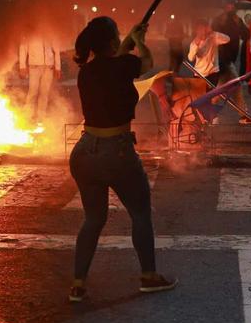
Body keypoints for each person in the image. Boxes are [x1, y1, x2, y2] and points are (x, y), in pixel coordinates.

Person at [68, 17, 175, 302]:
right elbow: (146, 61)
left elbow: (114, 59)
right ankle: (148, 276)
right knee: (140, 213)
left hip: (85, 151)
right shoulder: (124, 66)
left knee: (93, 219)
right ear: (113, 42)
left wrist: (126, 38)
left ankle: (78, 284)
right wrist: (139, 40)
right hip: (117, 151)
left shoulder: (86, 72)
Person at [18, 33, 62, 122]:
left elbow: (56, 50)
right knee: (33, 91)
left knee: (44, 93)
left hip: (48, 67)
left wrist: (58, 67)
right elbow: (23, 49)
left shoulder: (49, 31)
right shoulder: (29, 32)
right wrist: (22, 66)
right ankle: (27, 117)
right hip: (34, 67)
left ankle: (40, 118)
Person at [212, 2, 248, 105]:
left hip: (231, 58)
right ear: (224, 7)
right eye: (228, 5)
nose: (230, 8)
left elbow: (246, 35)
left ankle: (208, 109)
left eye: (232, 6)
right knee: (235, 85)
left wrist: (240, 24)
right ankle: (243, 114)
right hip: (221, 59)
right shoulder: (218, 20)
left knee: (221, 87)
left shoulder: (237, 20)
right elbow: (213, 37)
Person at [187, 19, 231, 84]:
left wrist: (213, 32)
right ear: (197, 31)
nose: (203, 32)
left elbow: (227, 39)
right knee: (200, 93)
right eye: (200, 29)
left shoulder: (213, 38)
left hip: (213, 72)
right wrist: (196, 44)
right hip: (199, 73)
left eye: (205, 28)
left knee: (211, 93)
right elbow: (190, 58)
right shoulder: (194, 43)